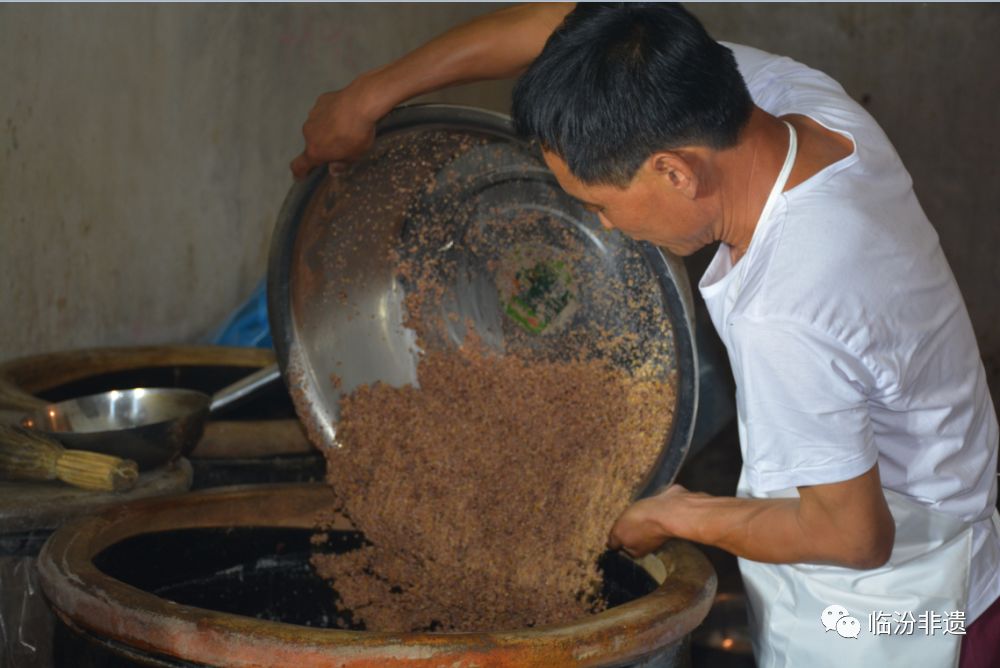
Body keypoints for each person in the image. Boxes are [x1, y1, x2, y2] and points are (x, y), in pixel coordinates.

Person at [292, 4, 1000, 666]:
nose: (605, 225)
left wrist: (680, 514)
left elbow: (852, 537)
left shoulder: (786, 307)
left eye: (600, 203)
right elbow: (582, 25)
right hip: (948, 517)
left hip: (899, 614)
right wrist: (370, 96)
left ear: (674, 172)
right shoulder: (794, 105)